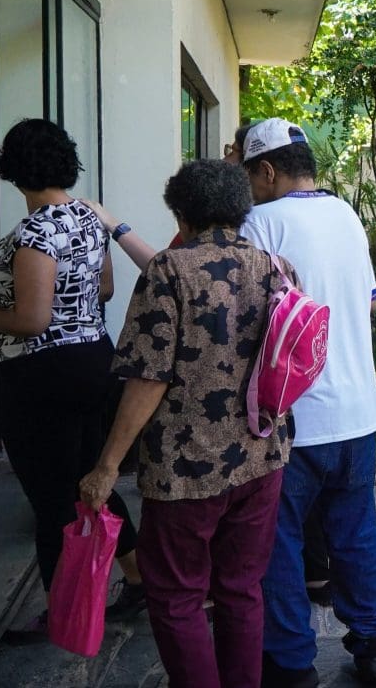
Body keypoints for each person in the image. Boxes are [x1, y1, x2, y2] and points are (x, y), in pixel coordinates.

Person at [79, 159, 294, 688]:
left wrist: (107, 466)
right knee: (241, 588)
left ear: (182, 212)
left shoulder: (169, 271)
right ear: (240, 209)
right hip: (262, 456)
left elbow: (147, 378)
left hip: (185, 468)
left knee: (176, 595)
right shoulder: (275, 266)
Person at [0, 118, 141, 637]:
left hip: (42, 376)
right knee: (92, 481)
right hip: (93, 361)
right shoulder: (87, 218)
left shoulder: (35, 232)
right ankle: (137, 579)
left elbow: (33, 321)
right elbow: (105, 289)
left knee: (50, 499)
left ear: (13, 170)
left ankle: (64, 614)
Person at [237, 118, 376, 687]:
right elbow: (369, 303)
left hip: (293, 416)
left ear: (269, 169)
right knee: (354, 532)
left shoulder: (260, 222)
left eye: (250, 174)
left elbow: (245, 317)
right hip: (357, 409)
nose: (248, 186)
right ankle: (372, 643)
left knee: (279, 539)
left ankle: (290, 659)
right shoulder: (346, 214)